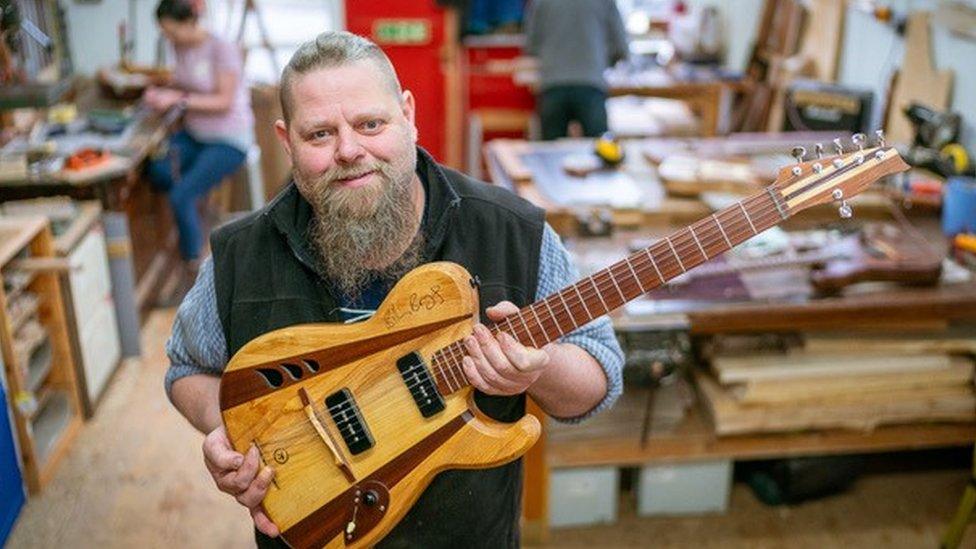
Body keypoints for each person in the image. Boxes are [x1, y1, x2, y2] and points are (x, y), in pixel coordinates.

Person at [164, 31, 624, 548]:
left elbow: (598, 373)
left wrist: (541, 369)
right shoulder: (238, 255)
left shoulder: (513, 231)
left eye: (370, 124)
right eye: (319, 134)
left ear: (407, 114)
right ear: (285, 139)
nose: (348, 151)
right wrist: (230, 435)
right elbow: (188, 369)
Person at [145, 0, 253, 265]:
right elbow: (186, 81)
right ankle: (196, 209)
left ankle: (194, 263)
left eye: (172, 31)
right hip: (196, 136)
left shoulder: (221, 48)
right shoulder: (178, 47)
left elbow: (223, 101)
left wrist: (177, 99)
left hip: (228, 139)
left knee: (181, 194)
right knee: (157, 170)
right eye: (165, 32)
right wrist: (160, 89)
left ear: (189, 22)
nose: (169, 37)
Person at [525, 0, 630, 140]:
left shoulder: (541, 2)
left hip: (552, 85)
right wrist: (598, 63)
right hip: (591, 85)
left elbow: (532, 46)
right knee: (600, 151)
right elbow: (620, 48)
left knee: (549, 153)